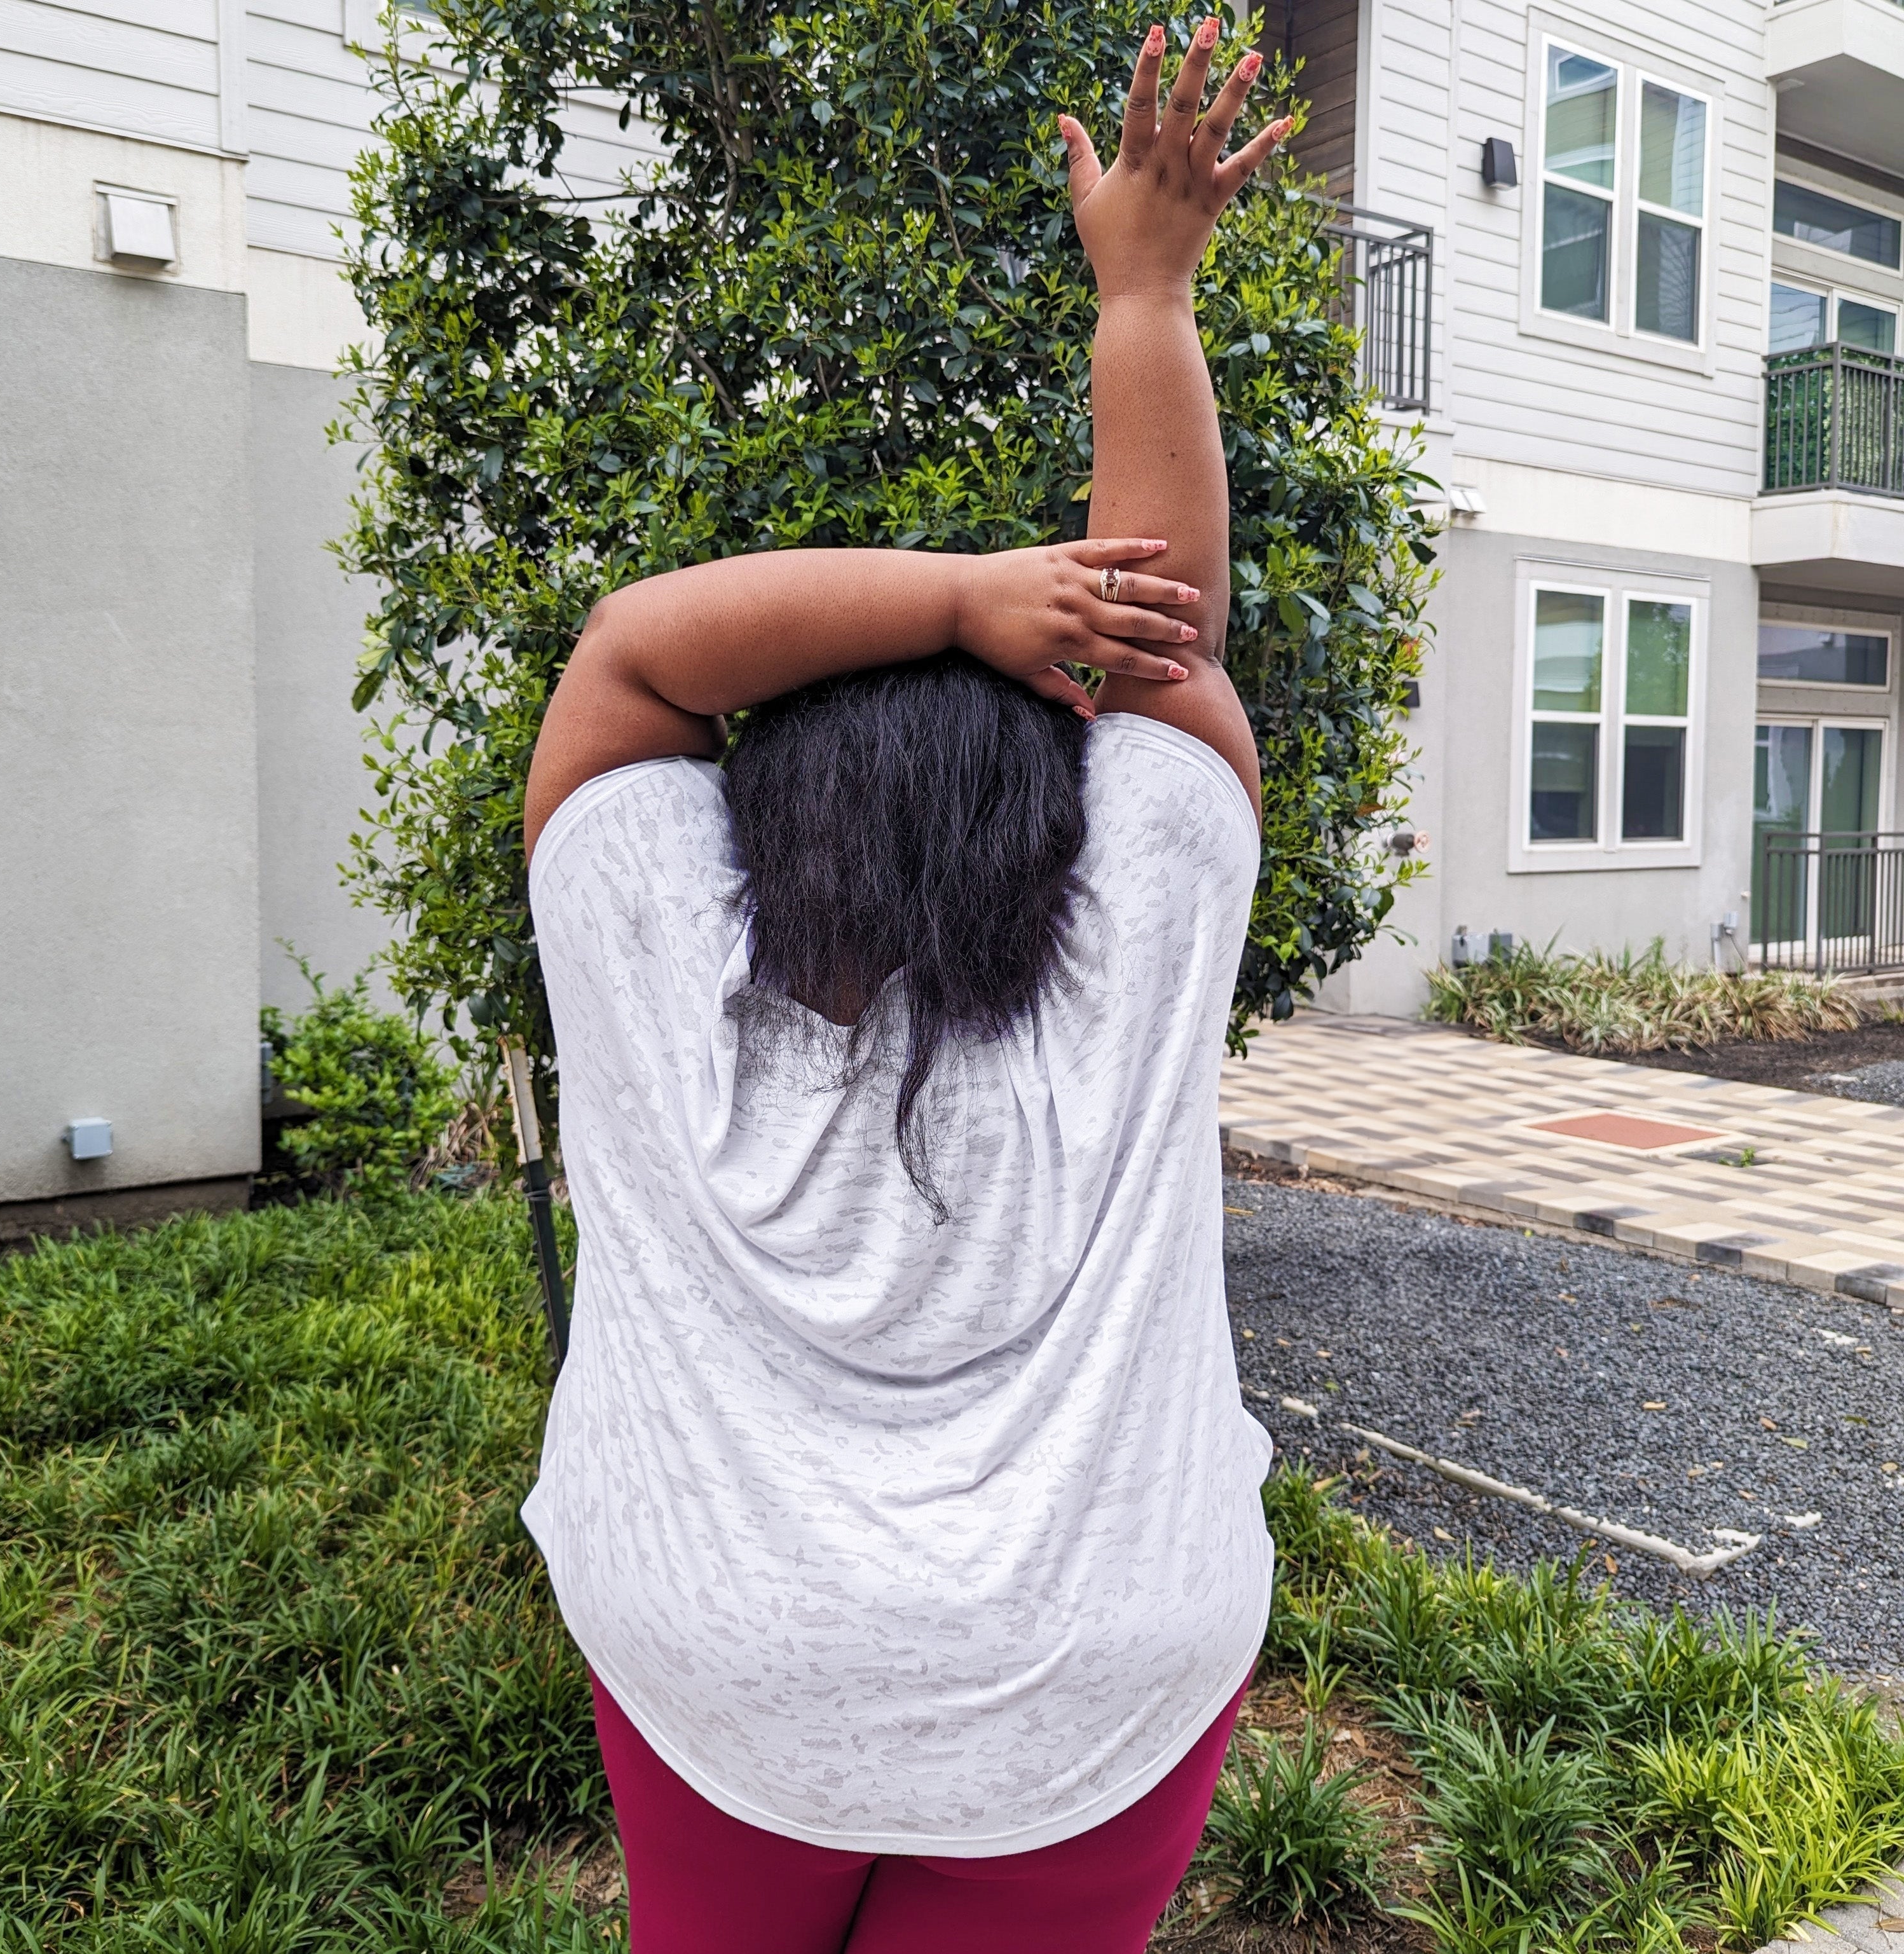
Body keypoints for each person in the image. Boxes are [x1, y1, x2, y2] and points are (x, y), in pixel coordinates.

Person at [519, 21, 1292, 1953]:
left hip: (727, 1658)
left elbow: (631, 656)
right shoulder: (1118, 976)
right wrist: (1144, 292)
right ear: (1059, 827)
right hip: (1095, 1668)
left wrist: (950, 594)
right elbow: (1161, 635)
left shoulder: (672, 974)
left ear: (759, 818)